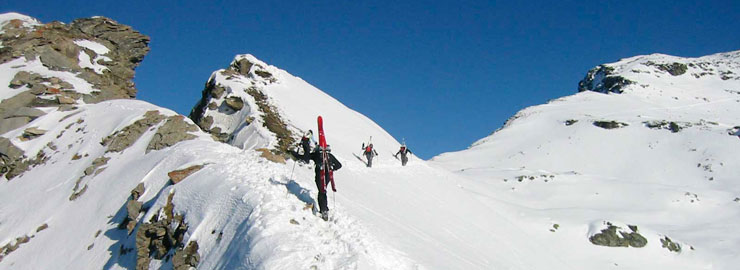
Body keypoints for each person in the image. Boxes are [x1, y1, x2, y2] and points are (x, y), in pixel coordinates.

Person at [308, 145, 341, 220]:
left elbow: (306, 157)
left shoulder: (316, 155)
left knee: (322, 191)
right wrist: (332, 168)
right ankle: (324, 209)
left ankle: (324, 210)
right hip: (328, 176)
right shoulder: (329, 156)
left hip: (320, 176)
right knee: (323, 191)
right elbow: (339, 165)